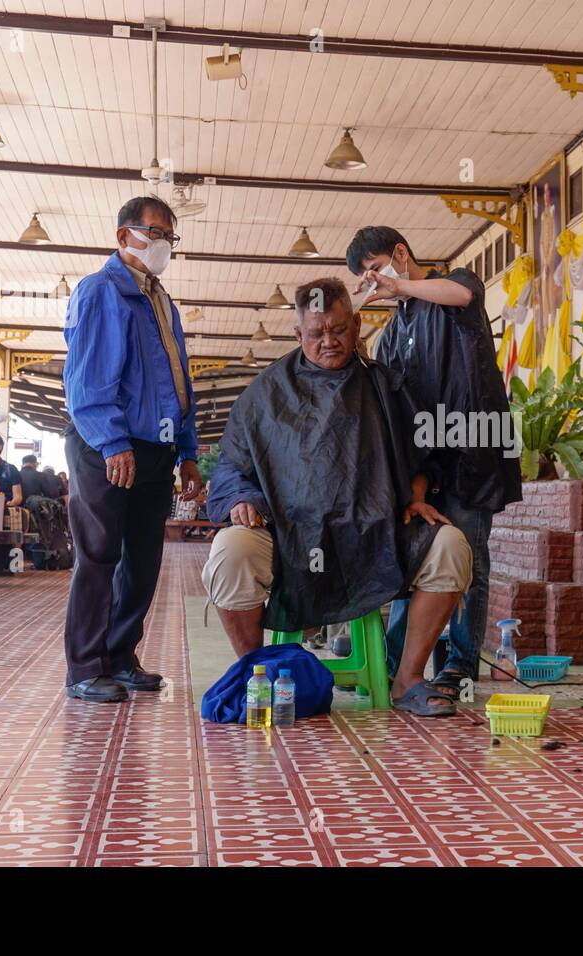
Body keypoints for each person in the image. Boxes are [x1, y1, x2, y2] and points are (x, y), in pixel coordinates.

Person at [202, 278, 472, 716]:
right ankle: (256, 674)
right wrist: (241, 498)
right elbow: (231, 467)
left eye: (339, 329)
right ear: (297, 334)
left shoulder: (387, 387)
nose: (329, 341)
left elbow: (425, 456)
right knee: (230, 551)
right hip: (288, 536)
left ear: (358, 324)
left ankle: (408, 680)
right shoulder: (264, 393)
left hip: (375, 532)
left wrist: (416, 495)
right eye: (316, 333)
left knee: (450, 546)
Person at [346, 226, 522, 696]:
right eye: (365, 276)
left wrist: (398, 284)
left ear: (400, 254)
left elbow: (464, 292)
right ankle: (397, 663)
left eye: (375, 268)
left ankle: (460, 667)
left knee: (468, 558)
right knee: (414, 554)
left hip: (472, 450)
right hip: (424, 461)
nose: (374, 280)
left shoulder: (452, 288)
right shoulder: (395, 329)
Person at [61, 195, 202, 703]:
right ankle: (85, 667)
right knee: (100, 554)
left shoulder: (162, 300)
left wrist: (188, 451)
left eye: (170, 236)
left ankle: (121, 657)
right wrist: (113, 441)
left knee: (143, 559)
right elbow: (89, 378)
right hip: (107, 445)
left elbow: (179, 380)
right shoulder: (102, 291)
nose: (163, 243)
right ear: (124, 236)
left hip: (157, 448)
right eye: (155, 232)